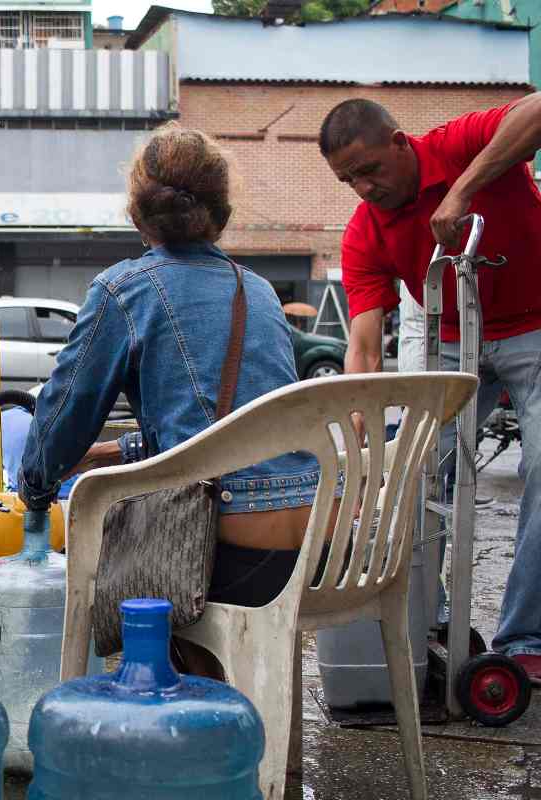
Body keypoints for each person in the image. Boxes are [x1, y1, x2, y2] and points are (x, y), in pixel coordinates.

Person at [17, 124, 323, 609]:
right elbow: (221, 425)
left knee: (108, 583)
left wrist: (32, 489)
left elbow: (60, 428)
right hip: (312, 538)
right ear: (219, 216)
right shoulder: (261, 291)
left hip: (221, 545)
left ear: (139, 215)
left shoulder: (125, 289)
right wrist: (108, 452)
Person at [319, 96, 541, 683]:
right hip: (451, 340)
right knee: (414, 471)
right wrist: (358, 413)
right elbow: (365, 344)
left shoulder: (456, 143)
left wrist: (462, 190)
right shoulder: (365, 231)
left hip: (534, 327)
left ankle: (525, 637)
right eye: (348, 180)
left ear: (400, 142)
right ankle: (427, 619)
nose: (363, 188)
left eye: (370, 170)